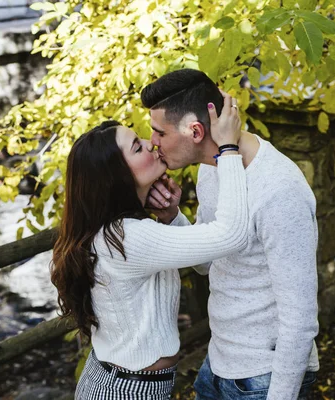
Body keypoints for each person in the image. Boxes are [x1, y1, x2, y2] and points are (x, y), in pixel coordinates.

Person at [50, 92, 248, 400]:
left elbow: (204, 262)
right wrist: (229, 149)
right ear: (117, 176)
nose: (152, 143)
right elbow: (231, 235)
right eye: (137, 146)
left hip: (122, 383)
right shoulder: (127, 237)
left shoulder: (119, 231)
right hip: (125, 391)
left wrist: (171, 217)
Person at [142, 69, 319, 400]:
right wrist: (171, 217)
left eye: (158, 132)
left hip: (264, 379)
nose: (152, 142)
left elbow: (301, 320)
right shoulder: (215, 168)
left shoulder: (280, 190)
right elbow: (208, 263)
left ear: (195, 131)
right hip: (220, 363)